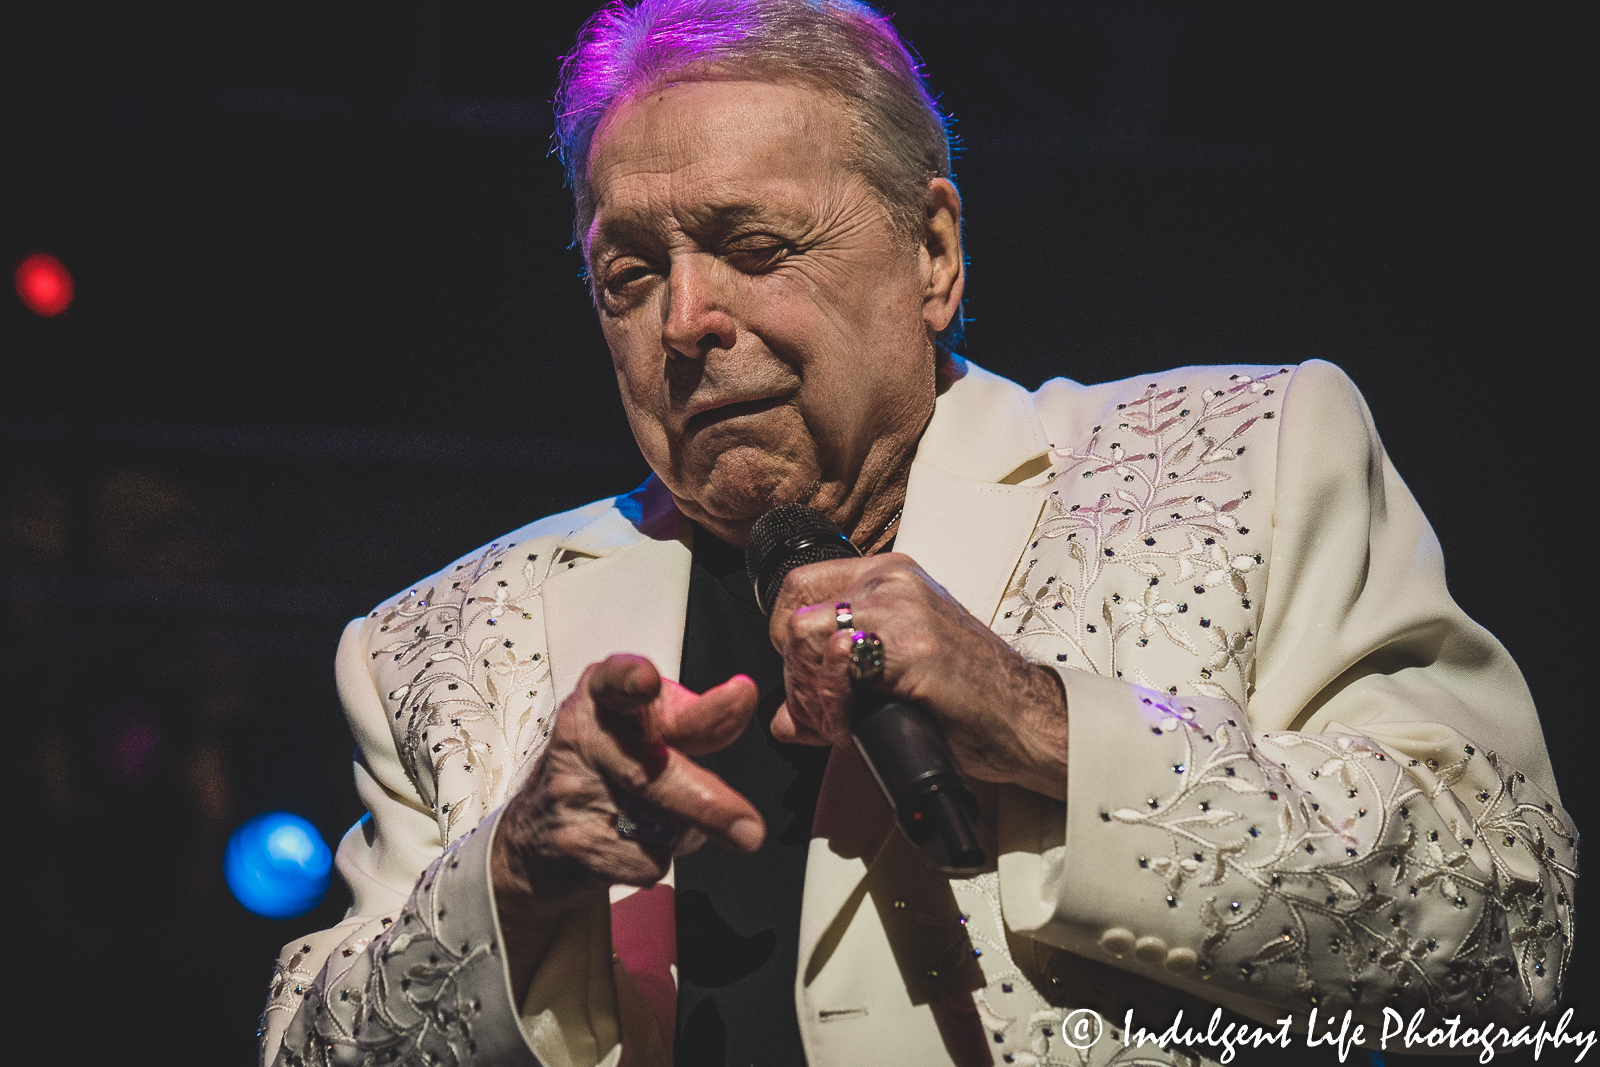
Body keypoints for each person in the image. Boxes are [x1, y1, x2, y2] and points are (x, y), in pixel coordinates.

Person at [260, 2, 1576, 1064]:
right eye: (631, 273)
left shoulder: (1248, 457)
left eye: (753, 243)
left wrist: (1047, 725)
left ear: (933, 251)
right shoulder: (440, 643)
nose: (685, 322)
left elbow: (1509, 917)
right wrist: (514, 883)